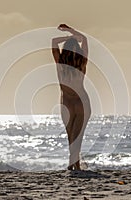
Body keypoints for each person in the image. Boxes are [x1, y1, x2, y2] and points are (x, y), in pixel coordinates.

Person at [52, 24, 91, 170]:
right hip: (73, 101)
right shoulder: (68, 62)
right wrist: (72, 34)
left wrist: (69, 34)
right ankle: (74, 163)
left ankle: (74, 164)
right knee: (72, 136)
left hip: (76, 102)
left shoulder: (75, 62)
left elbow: (55, 41)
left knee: (76, 136)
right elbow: (84, 39)